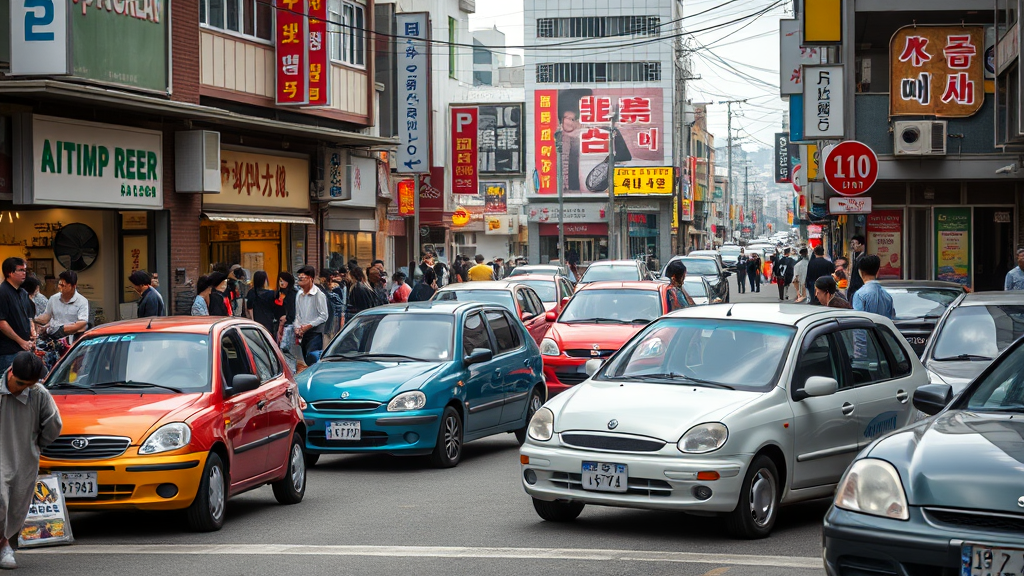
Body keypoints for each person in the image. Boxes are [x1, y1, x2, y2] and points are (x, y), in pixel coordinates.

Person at [0, 352, 62, 570]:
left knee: (17, 504)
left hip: (24, 456)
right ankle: (4, 545)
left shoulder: (38, 394)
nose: (22, 388)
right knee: (1, 498)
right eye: (19, 383)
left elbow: (54, 424)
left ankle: (4, 543)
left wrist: (36, 445)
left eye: (29, 384)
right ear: (10, 372)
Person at [33, 270, 89, 343]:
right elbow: (47, 316)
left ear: (73, 286)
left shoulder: (82, 301)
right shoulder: (53, 298)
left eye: (63, 285)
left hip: (72, 338)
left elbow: (82, 323)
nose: (59, 287)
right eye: (59, 284)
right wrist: (34, 319)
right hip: (53, 337)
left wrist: (62, 329)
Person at [0, 258, 35, 374]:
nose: (24, 273)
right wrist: (21, 341)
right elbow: (2, 323)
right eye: (20, 270)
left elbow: (29, 317)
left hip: (25, 348)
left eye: (25, 270)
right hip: (9, 351)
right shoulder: (3, 292)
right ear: (9, 272)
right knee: (9, 387)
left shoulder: (23, 293)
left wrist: (32, 331)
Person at [294, 266, 328, 365]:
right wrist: (297, 327)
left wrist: (308, 326)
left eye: (302, 278)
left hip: (315, 333)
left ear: (310, 279)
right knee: (304, 360)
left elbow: (324, 316)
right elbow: (297, 314)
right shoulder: (299, 294)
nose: (299, 281)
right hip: (303, 333)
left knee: (312, 359)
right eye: (298, 278)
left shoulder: (319, 294)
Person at [851, 255, 895, 319]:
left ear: (860, 272)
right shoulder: (887, 295)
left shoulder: (859, 294)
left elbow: (858, 320)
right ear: (877, 272)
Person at [275, 272, 298, 348]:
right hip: (278, 323)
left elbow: (293, 308)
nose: (281, 283)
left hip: (289, 324)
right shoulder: (278, 293)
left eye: (284, 281)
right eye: (280, 280)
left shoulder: (293, 294)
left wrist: (287, 317)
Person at [847, 235, 867, 304]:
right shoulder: (855, 257)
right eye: (851, 244)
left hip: (859, 289)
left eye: (854, 243)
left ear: (860, 244)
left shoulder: (864, 258)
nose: (852, 246)